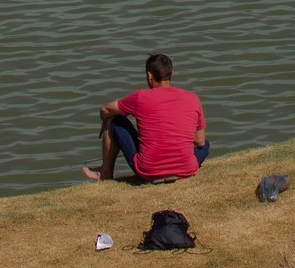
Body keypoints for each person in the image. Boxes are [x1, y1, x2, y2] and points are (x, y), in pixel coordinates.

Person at [83, 53, 207, 183]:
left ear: (149, 76)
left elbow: (105, 109)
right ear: (172, 74)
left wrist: (106, 120)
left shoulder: (140, 97)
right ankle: (180, 164)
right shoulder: (192, 98)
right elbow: (200, 141)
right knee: (205, 145)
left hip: (148, 171)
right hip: (186, 168)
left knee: (114, 120)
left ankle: (105, 173)